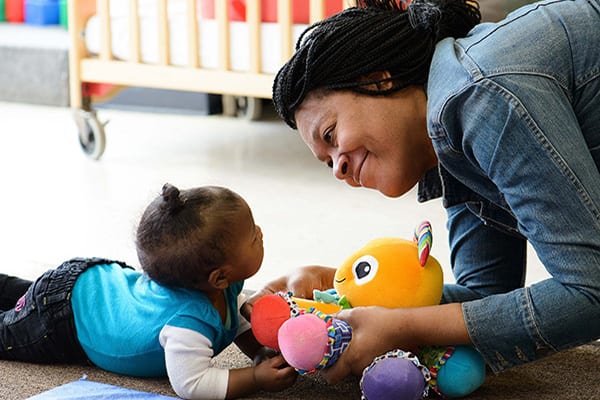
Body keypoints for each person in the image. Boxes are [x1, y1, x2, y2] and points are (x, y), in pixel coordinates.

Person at [248, 0, 600, 386]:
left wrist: (403, 328)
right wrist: (350, 294)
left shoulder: (477, 96)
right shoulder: (449, 139)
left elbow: (590, 293)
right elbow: (485, 296)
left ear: (377, 80)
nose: (338, 168)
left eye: (330, 136)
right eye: (326, 161)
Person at [0, 183, 297, 399]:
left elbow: (234, 321)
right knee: (9, 332)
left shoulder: (225, 287)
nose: (260, 232)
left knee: (23, 297)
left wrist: (260, 351)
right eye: (252, 236)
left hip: (89, 284)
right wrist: (255, 378)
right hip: (63, 323)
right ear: (218, 277)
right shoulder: (187, 323)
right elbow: (192, 383)